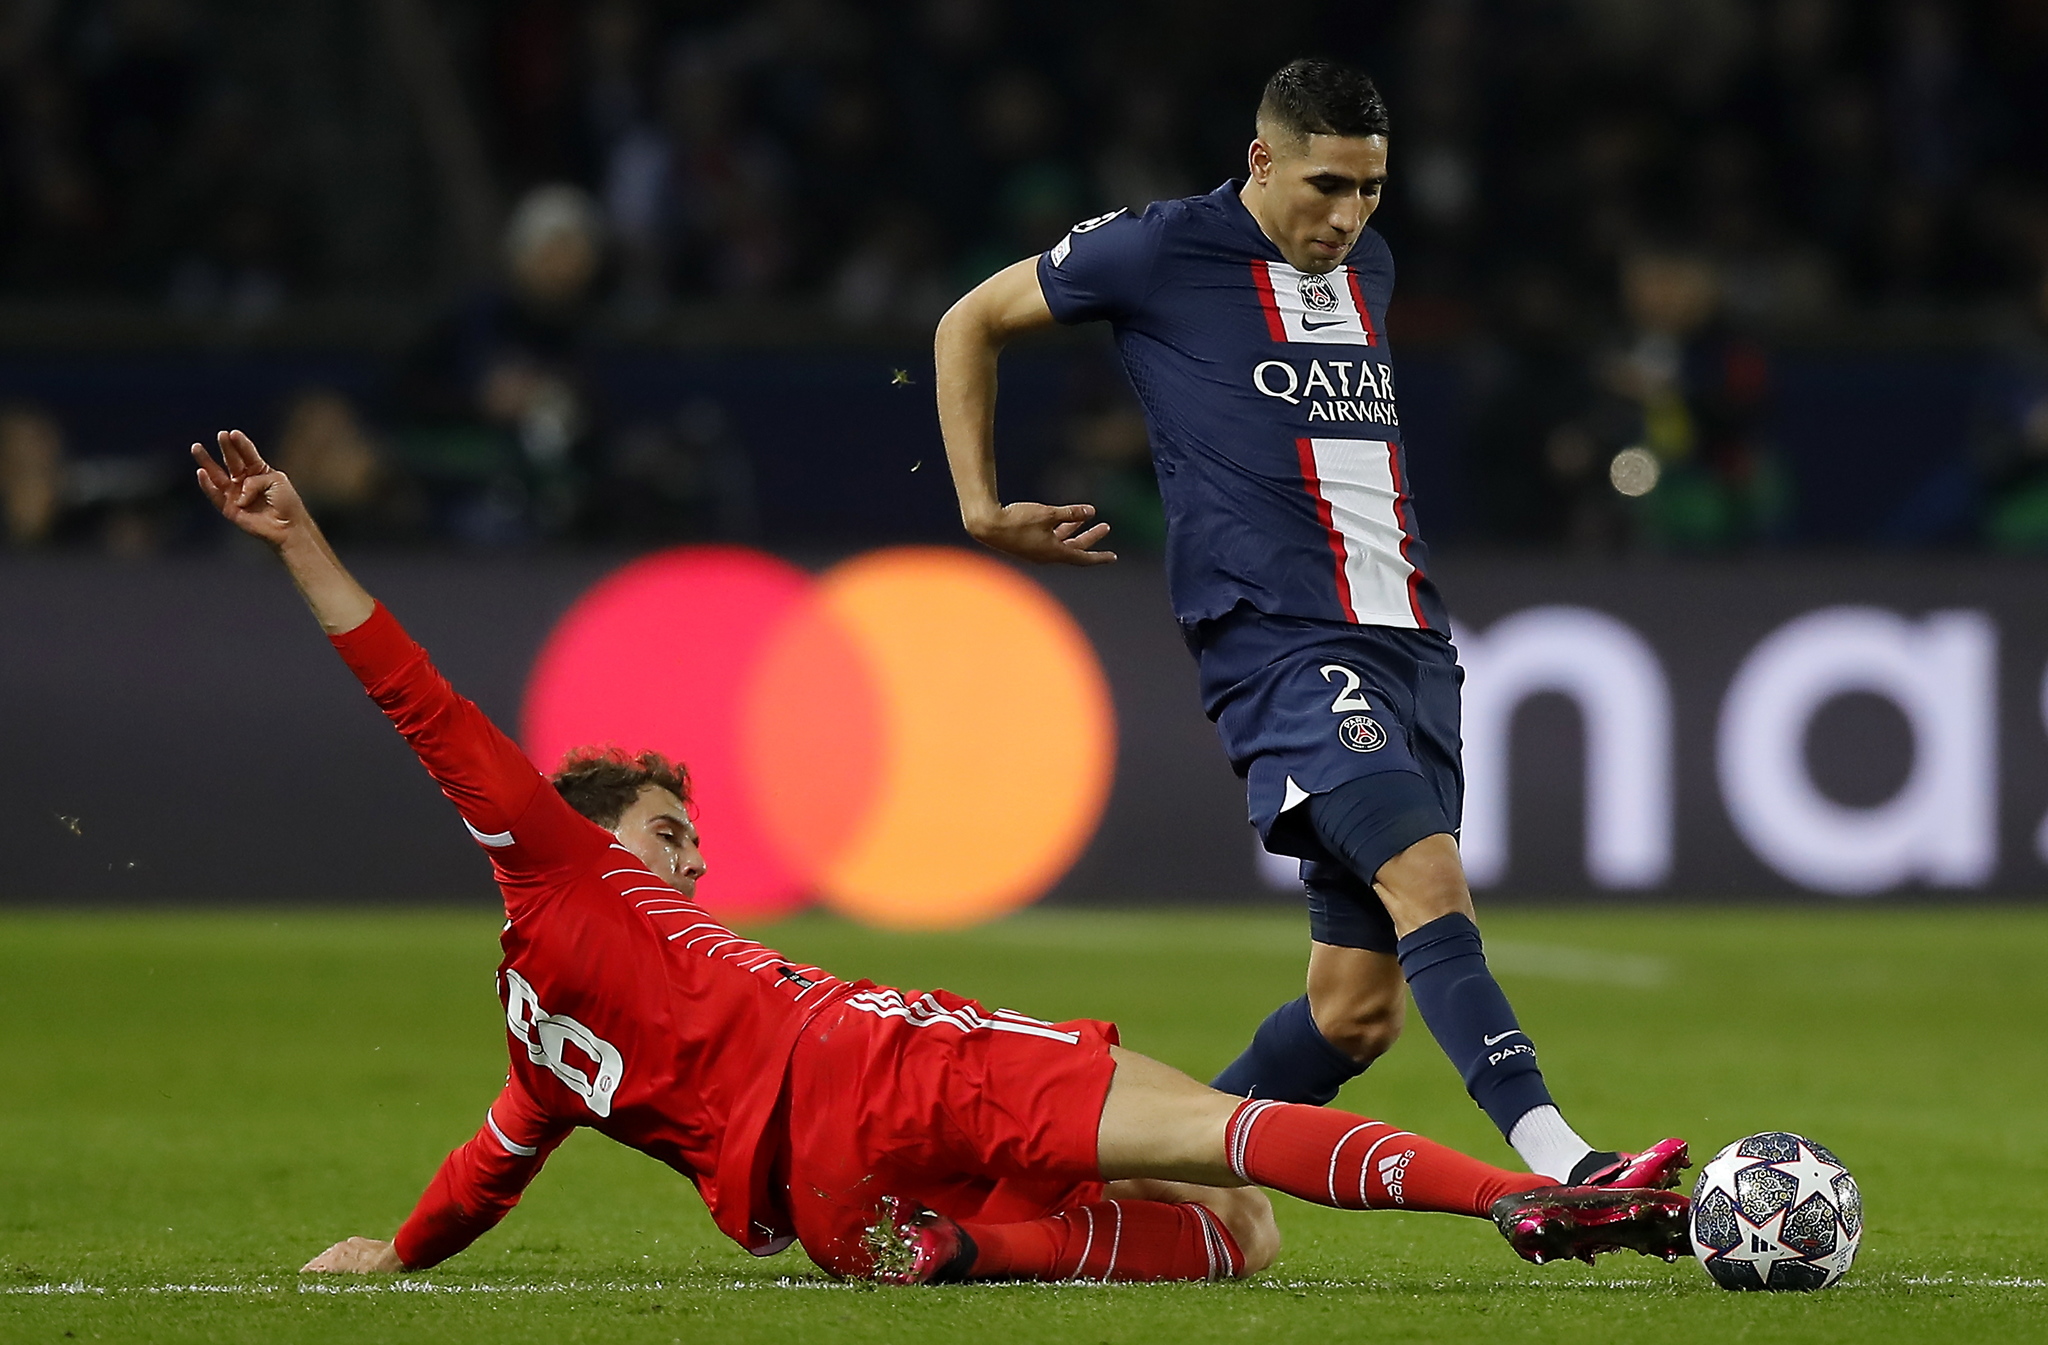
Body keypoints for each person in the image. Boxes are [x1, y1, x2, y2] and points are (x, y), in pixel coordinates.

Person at [190, 428, 1690, 1285]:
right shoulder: (557, 865)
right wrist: (304, 540)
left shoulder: (541, 1049)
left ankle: (973, 1254)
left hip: (835, 1208)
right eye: (664, 834)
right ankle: (1518, 1196)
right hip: (870, 1062)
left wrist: (396, 1256)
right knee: (1225, 1151)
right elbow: (423, 705)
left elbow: (489, 1170)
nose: (689, 861)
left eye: (692, 840)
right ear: (581, 835)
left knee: (1243, 1240)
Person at [934, 58, 1685, 1190]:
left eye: (1369, 189)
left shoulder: (1366, 263)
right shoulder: (1156, 250)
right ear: (1260, 160)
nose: (1346, 216)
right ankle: (1567, 1161)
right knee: (1426, 875)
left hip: (1410, 646)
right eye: (1325, 185)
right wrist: (981, 507)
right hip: (1280, 642)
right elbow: (968, 318)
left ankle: (1136, 1178)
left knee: (1352, 1014)